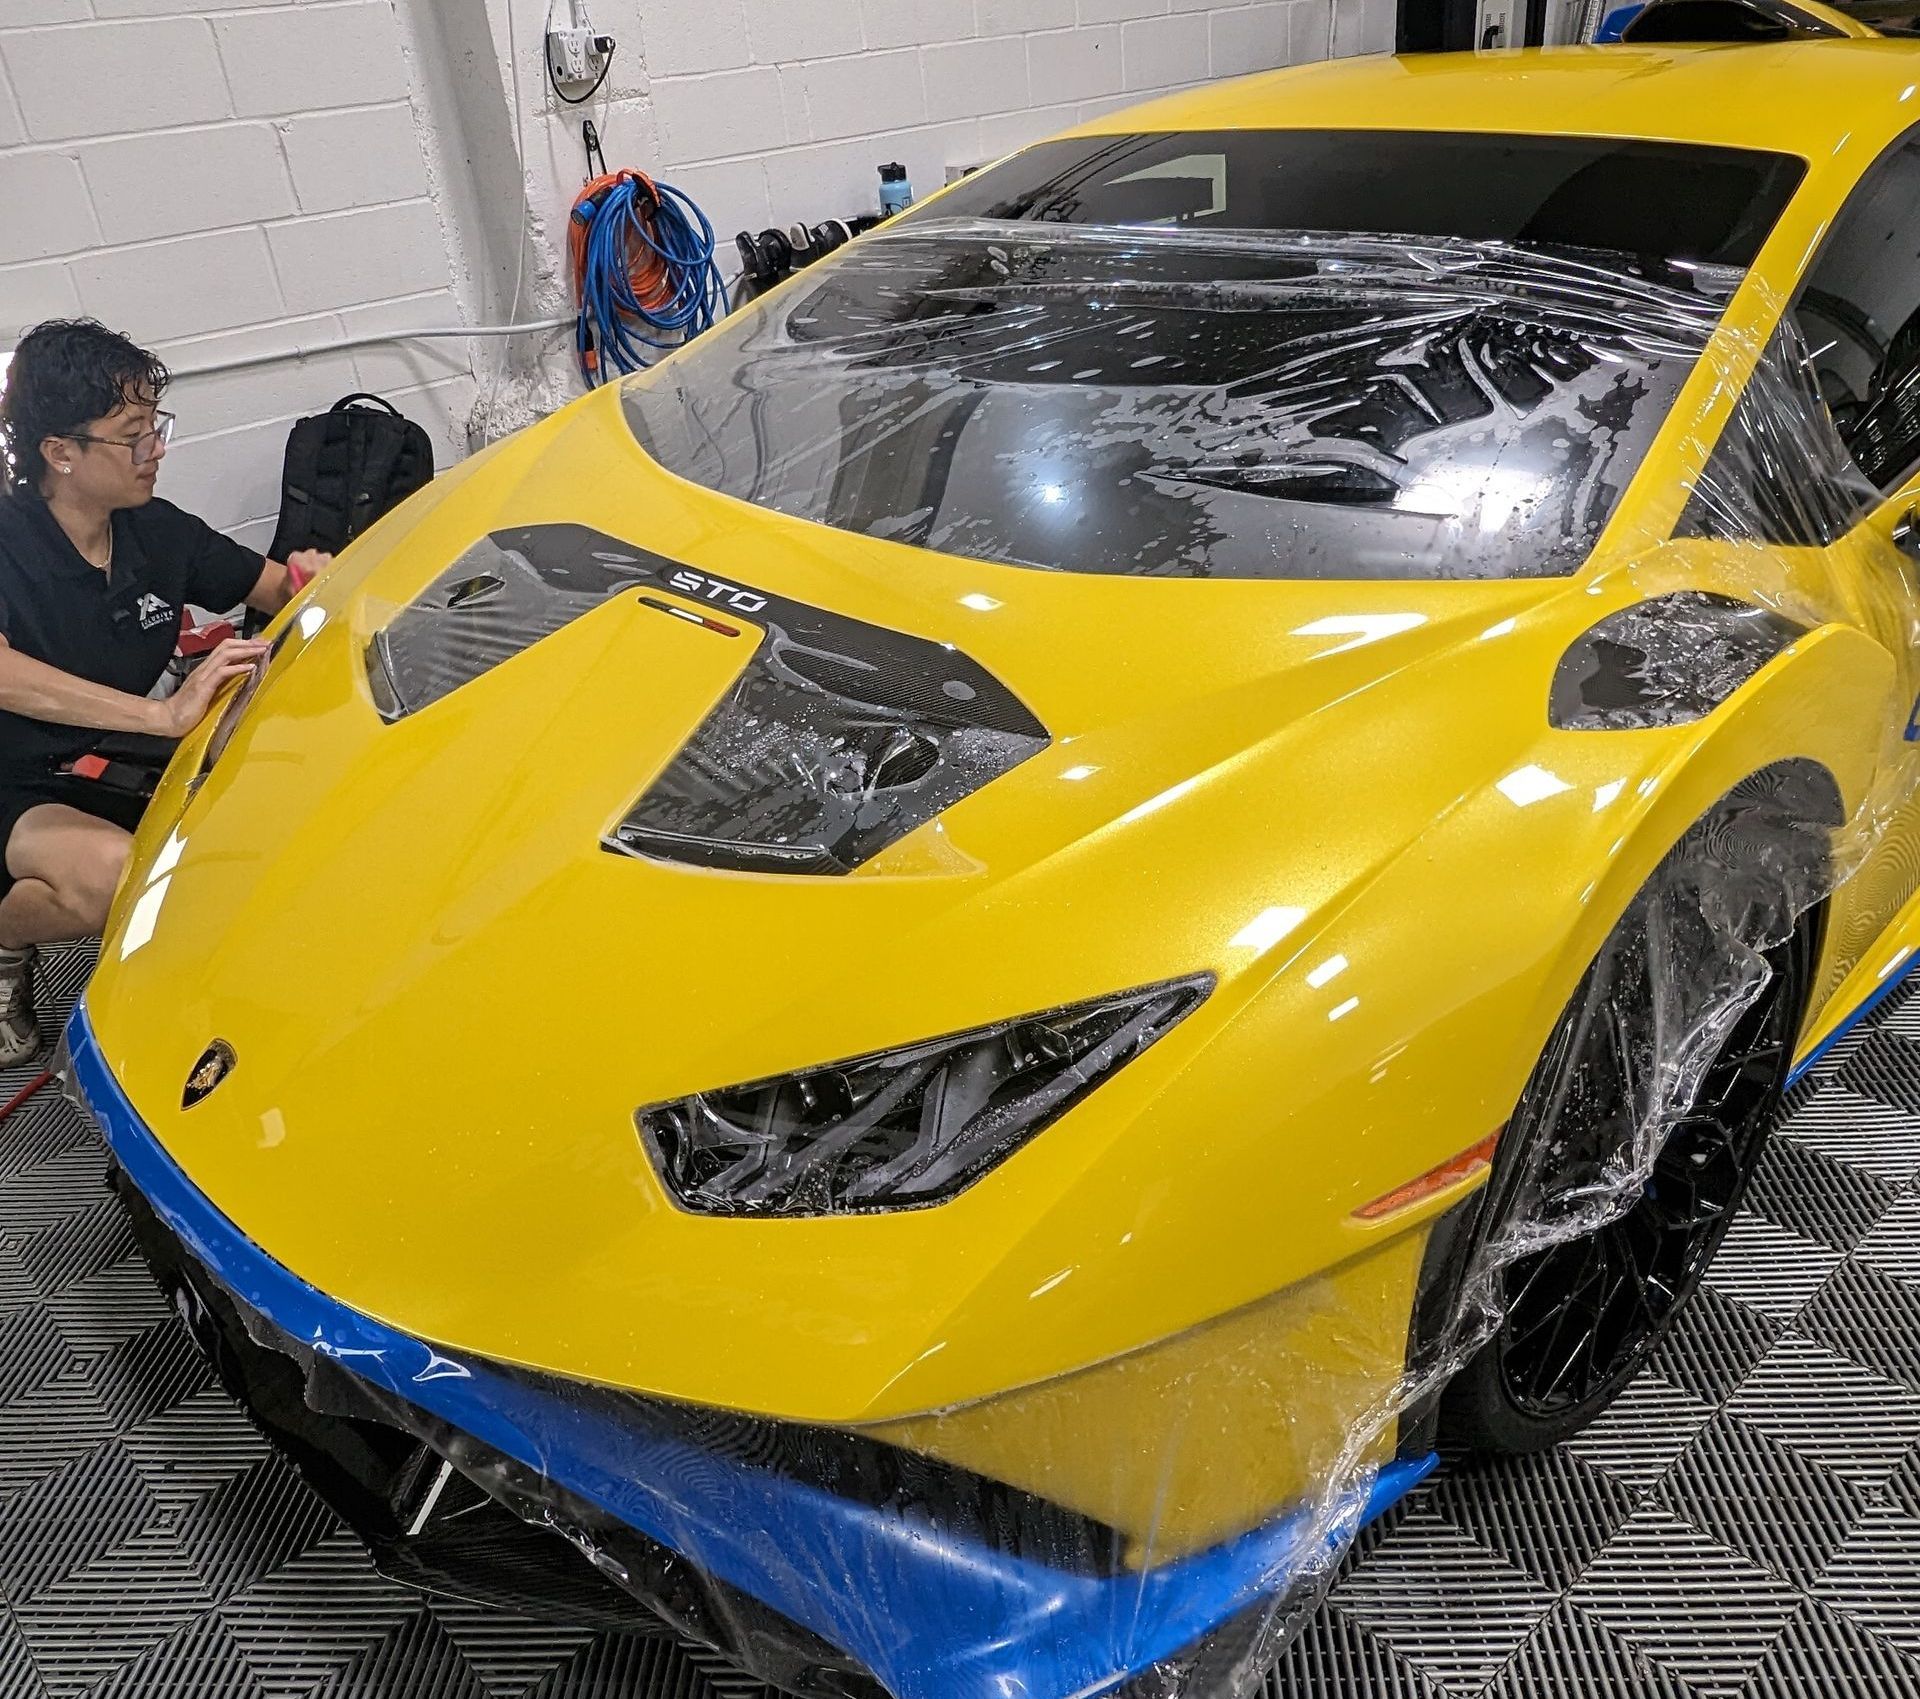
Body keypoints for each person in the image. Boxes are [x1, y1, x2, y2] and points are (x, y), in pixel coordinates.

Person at [0, 319, 332, 1066]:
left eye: (156, 426)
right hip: (17, 783)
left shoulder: (154, 530)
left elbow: (278, 586)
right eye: (131, 434)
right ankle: (5, 941)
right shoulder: (7, 541)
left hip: (121, 759)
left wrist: (312, 575)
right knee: (118, 876)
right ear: (61, 453)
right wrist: (162, 714)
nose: (155, 449)